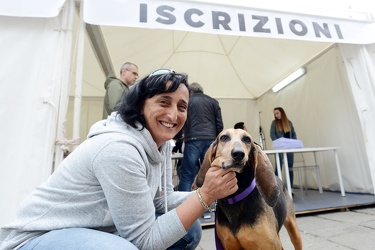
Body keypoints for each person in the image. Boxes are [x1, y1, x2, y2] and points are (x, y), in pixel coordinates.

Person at [0, 70, 238, 250]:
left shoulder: (161, 144)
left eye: (182, 106)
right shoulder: (118, 148)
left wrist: (212, 192)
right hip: (36, 238)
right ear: (140, 104)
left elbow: (160, 201)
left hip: (94, 229)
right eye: (163, 102)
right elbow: (144, 240)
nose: (173, 114)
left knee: (191, 232)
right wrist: (206, 195)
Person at [178, 82, 224, 192]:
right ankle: (207, 206)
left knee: (187, 175)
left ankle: (184, 204)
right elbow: (220, 125)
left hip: (192, 140)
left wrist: (182, 136)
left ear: (190, 91)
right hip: (210, 140)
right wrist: (215, 140)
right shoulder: (213, 102)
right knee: (208, 174)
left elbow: (182, 121)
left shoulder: (188, 101)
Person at [270, 107, 297, 188]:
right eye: (275, 114)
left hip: (289, 148)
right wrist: (278, 143)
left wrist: (295, 143)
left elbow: (294, 134)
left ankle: (290, 188)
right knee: (278, 167)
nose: (276, 115)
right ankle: (276, 188)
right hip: (280, 148)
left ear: (282, 113)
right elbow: (272, 134)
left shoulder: (289, 123)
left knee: (290, 167)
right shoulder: (274, 123)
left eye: (277, 113)